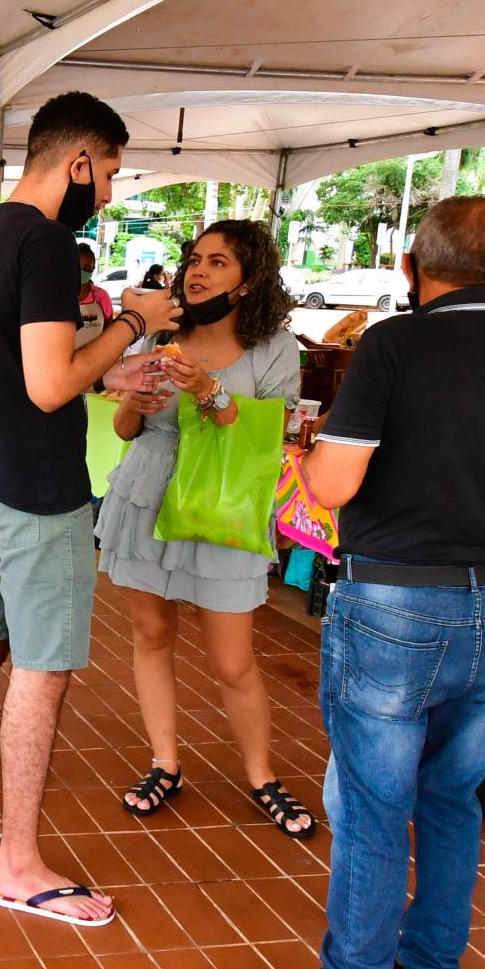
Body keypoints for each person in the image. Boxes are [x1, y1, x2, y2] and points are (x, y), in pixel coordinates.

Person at [231, 196, 485, 969]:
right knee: (450, 797)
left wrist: (303, 454)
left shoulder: (395, 345)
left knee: (370, 803)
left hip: (397, 601)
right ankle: (431, 968)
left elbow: (331, 487)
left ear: (411, 266)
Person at [0, 92, 178, 927]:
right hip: (41, 495)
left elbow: (4, 362)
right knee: (42, 671)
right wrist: (134, 322)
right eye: (105, 173)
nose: (106, 192)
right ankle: (18, 862)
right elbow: (46, 380)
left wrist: (110, 371)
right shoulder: (47, 243)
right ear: (77, 162)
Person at [96, 220, 314, 837]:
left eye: (217, 262)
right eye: (193, 259)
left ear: (249, 281)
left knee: (232, 659)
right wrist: (134, 407)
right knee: (150, 632)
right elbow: (126, 431)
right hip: (146, 494)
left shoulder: (276, 346)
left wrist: (211, 392)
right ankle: (165, 762)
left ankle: (262, 776)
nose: (197, 271)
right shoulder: (162, 334)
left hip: (221, 508)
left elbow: (271, 435)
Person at [74, 243, 116, 348]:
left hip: (94, 358)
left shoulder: (101, 296)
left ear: (94, 267)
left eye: (87, 268)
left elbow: (109, 331)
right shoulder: (59, 295)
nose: (82, 271)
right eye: (78, 267)